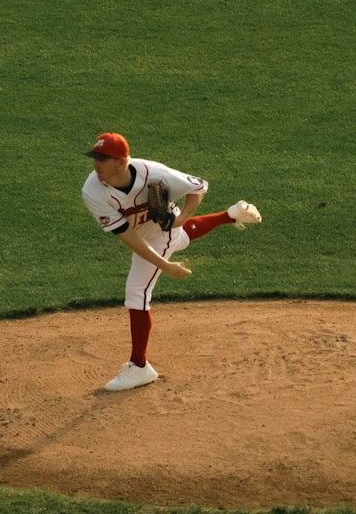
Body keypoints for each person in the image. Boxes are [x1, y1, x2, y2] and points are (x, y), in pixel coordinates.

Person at [81, 132, 262, 391]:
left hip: (162, 232)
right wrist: (165, 264)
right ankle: (230, 215)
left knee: (137, 292)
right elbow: (128, 235)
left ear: (121, 162)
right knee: (181, 239)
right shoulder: (93, 191)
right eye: (95, 158)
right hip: (143, 233)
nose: (96, 164)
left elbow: (198, 186)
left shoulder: (154, 174)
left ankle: (139, 367)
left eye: (102, 159)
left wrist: (181, 218)